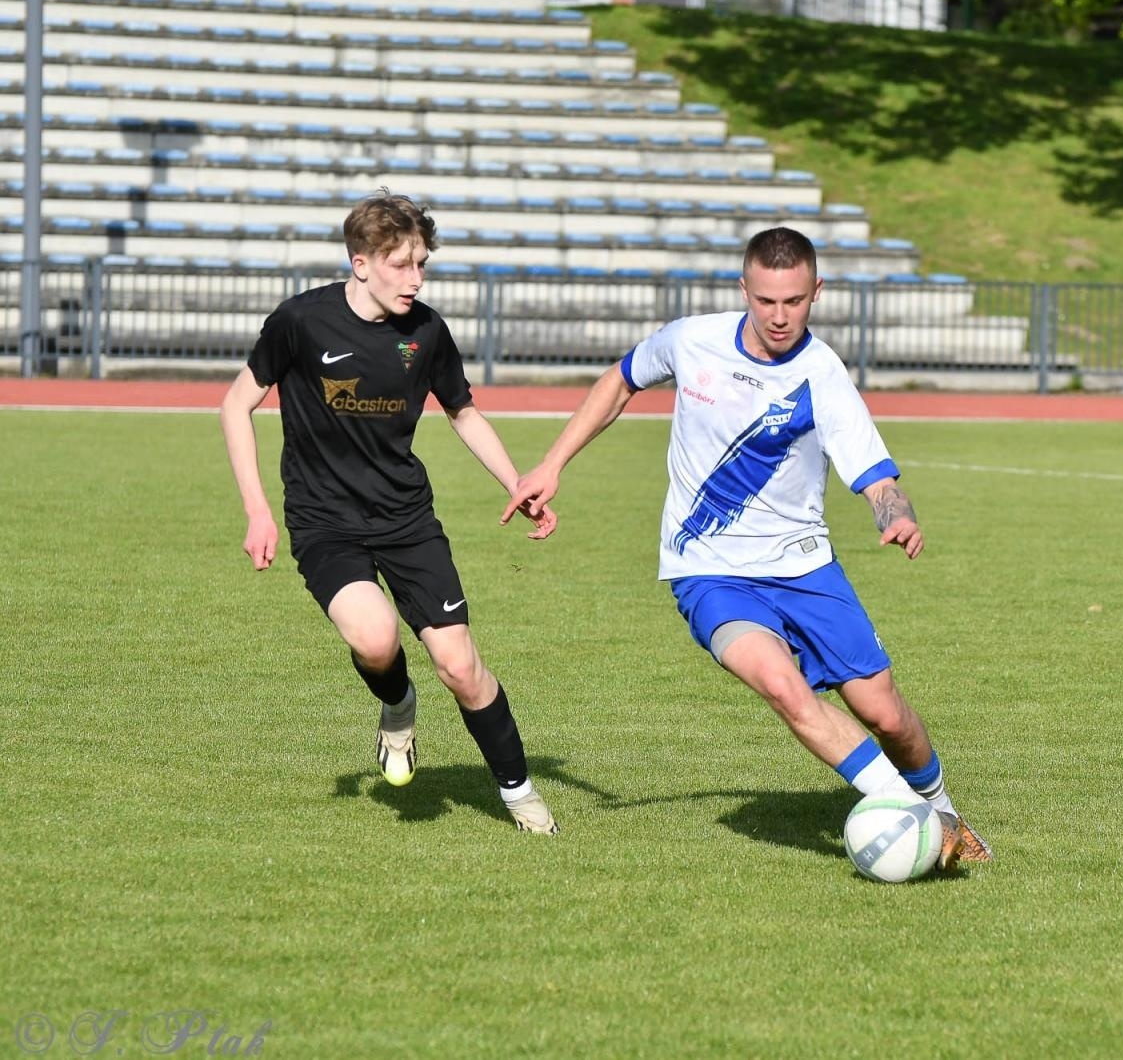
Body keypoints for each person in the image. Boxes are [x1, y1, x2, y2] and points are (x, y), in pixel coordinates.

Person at [499, 226, 991, 869]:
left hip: (805, 567)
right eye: (765, 301)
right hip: (708, 572)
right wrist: (552, 464)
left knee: (886, 714)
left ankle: (942, 806)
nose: (779, 316)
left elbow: (875, 474)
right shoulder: (691, 340)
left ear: (816, 292)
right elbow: (620, 381)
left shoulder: (823, 377)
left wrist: (893, 514)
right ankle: (919, 822)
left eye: (793, 301)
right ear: (744, 291)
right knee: (783, 687)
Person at [219, 189, 559, 835]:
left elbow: (462, 411)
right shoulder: (301, 321)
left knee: (460, 666)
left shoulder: (426, 331)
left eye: (422, 264)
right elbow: (236, 406)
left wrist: (516, 480)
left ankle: (519, 794)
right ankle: (398, 706)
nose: (416, 279)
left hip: (407, 519)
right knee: (376, 642)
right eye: (402, 265)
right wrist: (257, 511)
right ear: (361, 262)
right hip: (324, 521)